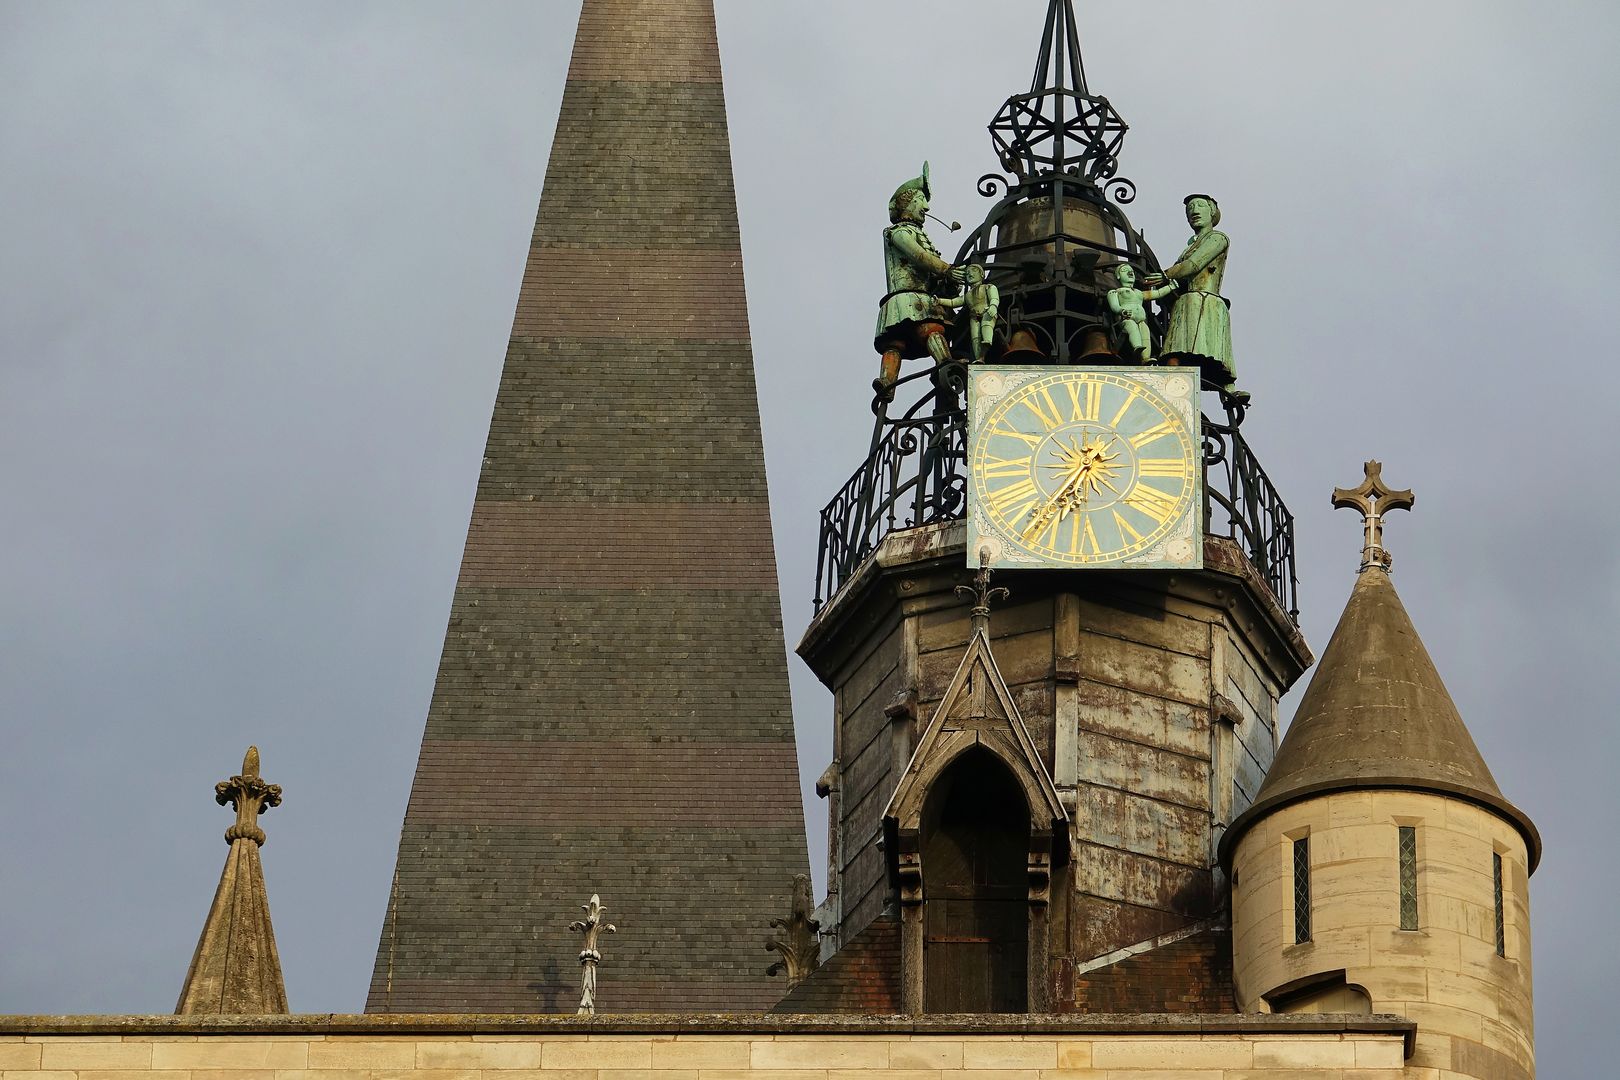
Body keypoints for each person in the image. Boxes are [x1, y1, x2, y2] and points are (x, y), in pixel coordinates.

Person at [873, 163, 967, 402]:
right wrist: (947, 270)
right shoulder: (899, 232)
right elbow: (919, 256)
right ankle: (889, 383)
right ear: (908, 204)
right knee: (921, 332)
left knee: (903, 340)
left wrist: (948, 282)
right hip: (908, 298)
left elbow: (929, 268)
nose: (926, 207)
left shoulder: (916, 232)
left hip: (920, 297)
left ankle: (945, 362)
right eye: (920, 201)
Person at [1147, 194, 1239, 396]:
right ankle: (1171, 383)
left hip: (1205, 302)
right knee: (1174, 352)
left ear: (1212, 211)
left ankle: (1228, 389)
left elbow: (1194, 265)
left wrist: (1165, 275)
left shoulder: (1218, 238)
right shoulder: (1187, 249)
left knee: (1208, 354)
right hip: (1186, 303)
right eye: (1189, 210)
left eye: (1199, 206)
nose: (1194, 211)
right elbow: (1176, 282)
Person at [1105, 263, 1178, 363]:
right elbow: (1114, 306)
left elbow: (1157, 293)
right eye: (1124, 270)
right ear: (1118, 276)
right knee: (1132, 328)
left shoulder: (1139, 293)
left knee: (1145, 334)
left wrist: (1170, 287)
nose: (1130, 272)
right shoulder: (1115, 292)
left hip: (1141, 320)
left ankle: (1145, 358)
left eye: (1131, 271)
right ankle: (1137, 347)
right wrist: (1122, 311)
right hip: (1127, 318)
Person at [943, 263, 1000, 362]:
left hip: (987, 312)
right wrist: (939, 301)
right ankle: (979, 358)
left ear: (982, 274)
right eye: (967, 273)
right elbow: (953, 302)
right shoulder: (967, 295)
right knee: (975, 339)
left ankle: (987, 342)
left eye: (974, 271)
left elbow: (994, 298)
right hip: (974, 317)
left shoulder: (988, 287)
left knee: (986, 326)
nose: (970, 274)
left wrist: (993, 306)